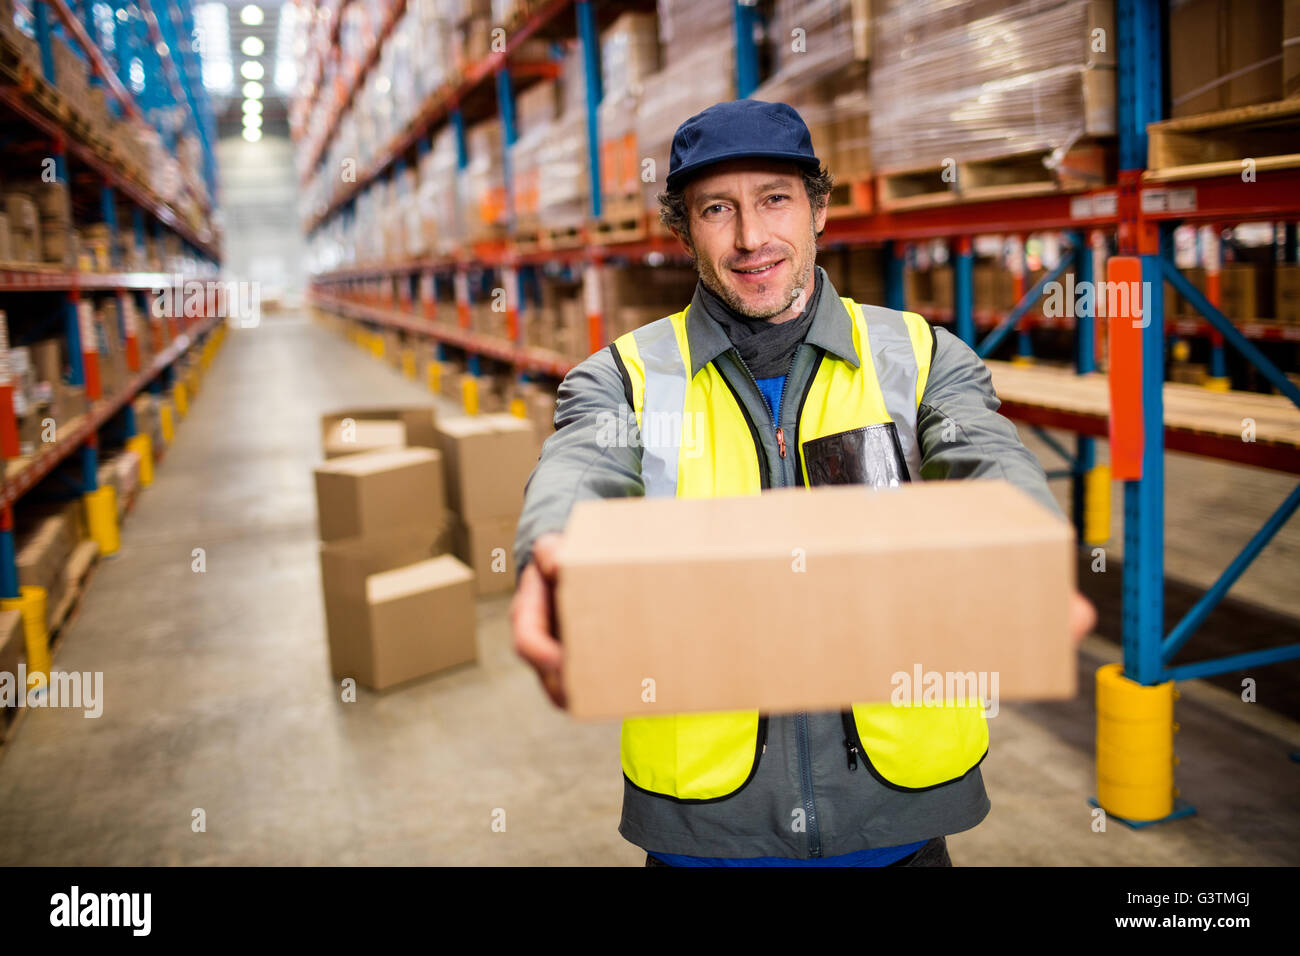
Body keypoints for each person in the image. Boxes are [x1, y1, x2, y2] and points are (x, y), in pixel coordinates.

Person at [511, 99, 1097, 867]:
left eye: (775, 199)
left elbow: (983, 453)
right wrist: (548, 547)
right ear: (684, 230)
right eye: (718, 209)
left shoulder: (920, 357)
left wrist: (1024, 542)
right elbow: (582, 464)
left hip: (893, 819)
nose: (752, 238)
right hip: (709, 827)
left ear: (820, 207)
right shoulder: (625, 378)